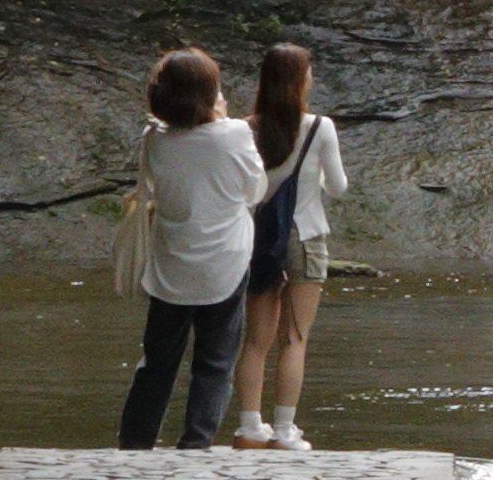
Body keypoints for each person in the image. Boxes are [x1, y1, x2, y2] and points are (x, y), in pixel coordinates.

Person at [116, 48, 266, 451]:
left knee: (157, 364)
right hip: (225, 261)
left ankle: (135, 443)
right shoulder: (233, 134)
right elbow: (256, 190)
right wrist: (222, 119)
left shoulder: (154, 138)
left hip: (170, 264)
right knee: (215, 362)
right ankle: (196, 444)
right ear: (208, 93)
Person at [225, 40, 347, 452]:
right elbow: (339, 187)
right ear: (299, 80)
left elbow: (245, 189)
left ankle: (248, 428)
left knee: (255, 340)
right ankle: (284, 431)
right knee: (294, 339)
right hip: (307, 236)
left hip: (259, 238)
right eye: (309, 71)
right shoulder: (320, 127)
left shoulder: (247, 128)